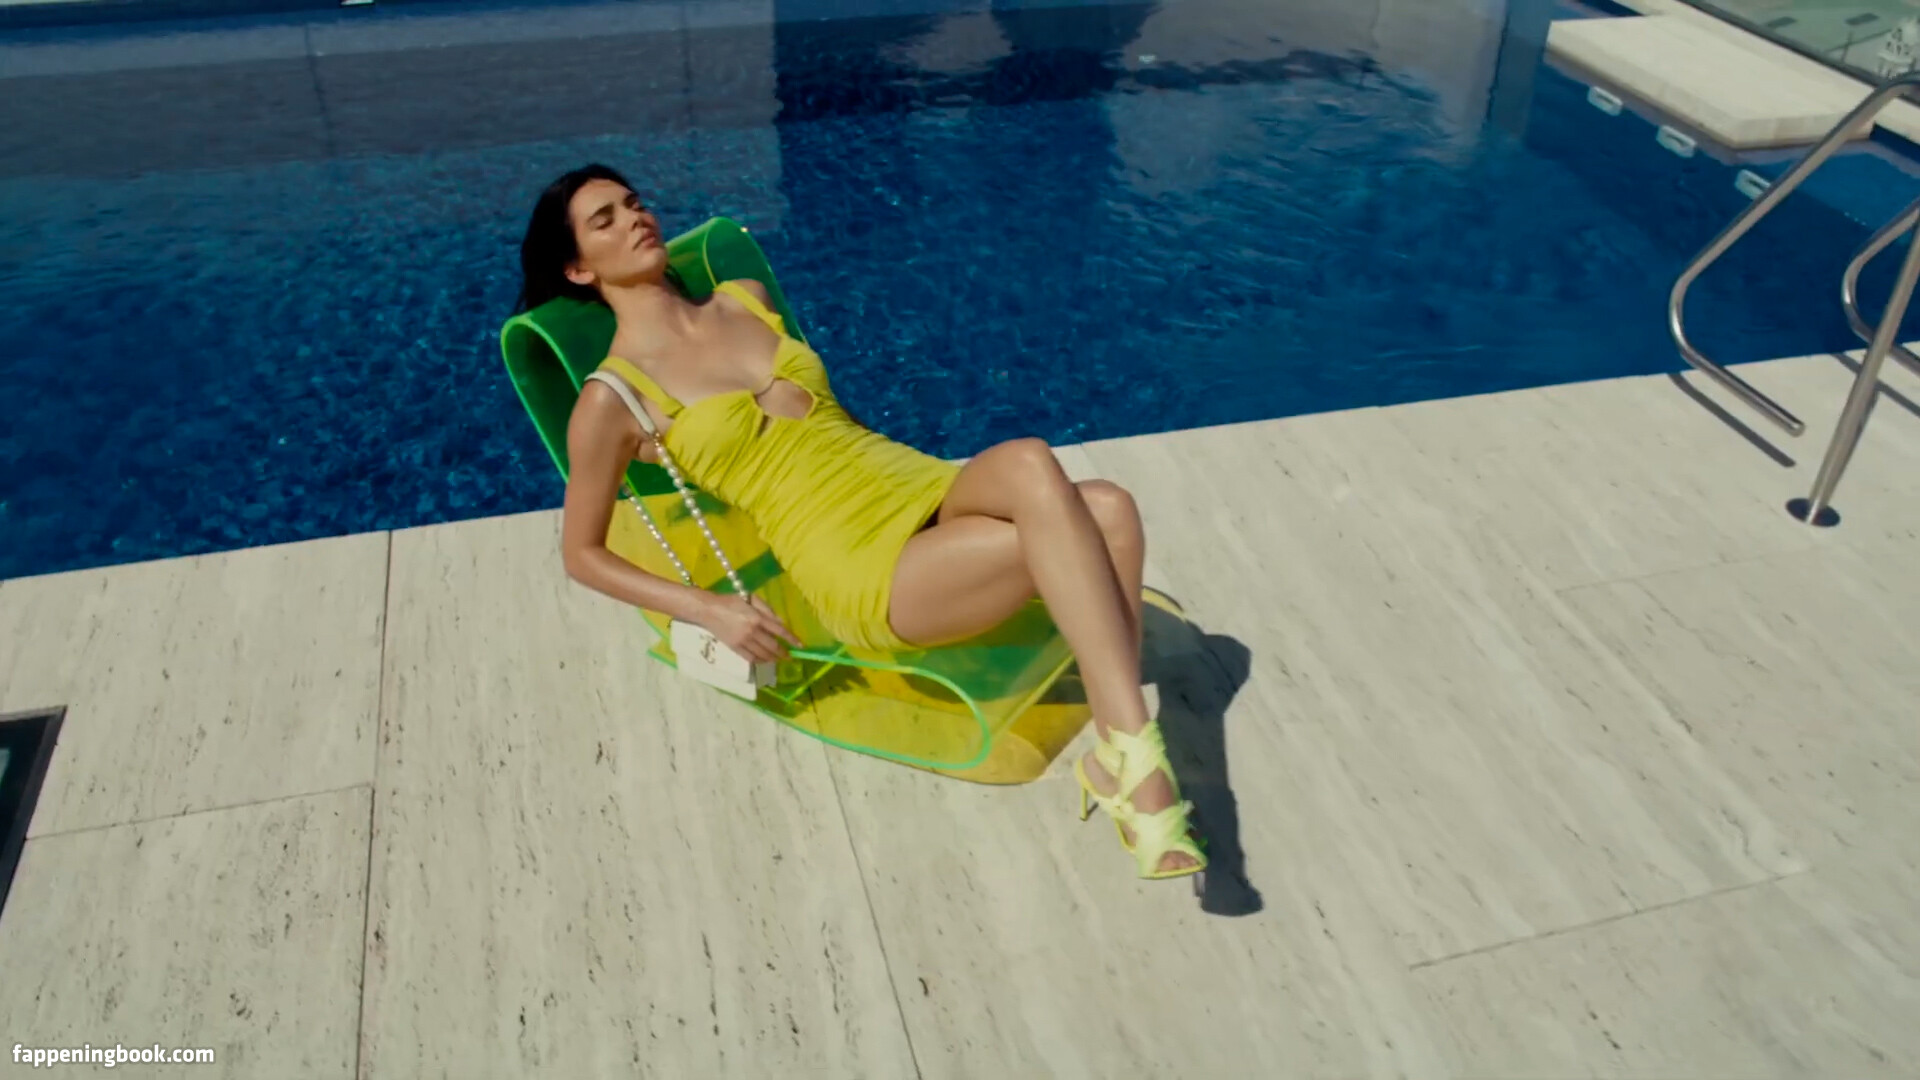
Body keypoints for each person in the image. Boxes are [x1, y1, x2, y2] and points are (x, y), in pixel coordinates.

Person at [517, 164, 1205, 883]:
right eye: (605, 220)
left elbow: (835, 424)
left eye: (634, 203)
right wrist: (708, 608)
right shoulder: (613, 398)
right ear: (578, 269)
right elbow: (582, 553)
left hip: (910, 482)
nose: (635, 218)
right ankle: (1142, 769)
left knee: (1088, 493)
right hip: (854, 560)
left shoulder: (745, 298)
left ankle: (1118, 750)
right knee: (1088, 522)